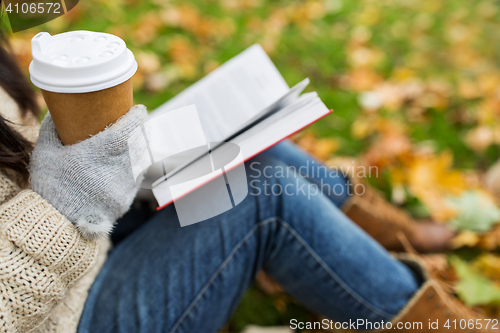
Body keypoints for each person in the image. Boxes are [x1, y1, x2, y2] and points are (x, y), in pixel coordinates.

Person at [0, 28, 495, 333]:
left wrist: (120, 164)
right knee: (265, 194)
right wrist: (64, 206)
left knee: (246, 144)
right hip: (64, 316)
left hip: (80, 247)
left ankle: (396, 241)